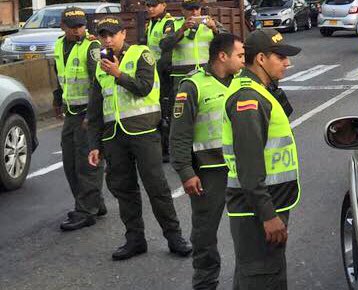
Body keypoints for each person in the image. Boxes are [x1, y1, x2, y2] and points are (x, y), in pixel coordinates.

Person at [86, 18, 192, 260]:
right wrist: (94, 145)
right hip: (114, 136)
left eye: (112, 34)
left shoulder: (141, 54)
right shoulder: (101, 64)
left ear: (124, 33)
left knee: (157, 187)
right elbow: (95, 110)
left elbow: (144, 87)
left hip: (143, 132)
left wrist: (118, 74)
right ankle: (135, 239)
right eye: (103, 36)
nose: (108, 40)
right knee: (124, 190)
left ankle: (174, 236)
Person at [222, 29, 302, 290]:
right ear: (260, 59)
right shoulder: (249, 99)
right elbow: (249, 163)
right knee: (263, 278)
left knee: (253, 275)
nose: (287, 63)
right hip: (256, 211)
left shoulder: (260, 90)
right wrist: (268, 215)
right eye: (280, 57)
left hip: (261, 205)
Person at [171, 32, 246, 290]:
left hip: (242, 170)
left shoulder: (243, 82)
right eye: (240, 56)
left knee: (248, 229)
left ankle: (248, 281)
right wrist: (185, 171)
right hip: (209, 172)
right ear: (222, 56)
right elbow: (179, 134)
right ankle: (205, 283)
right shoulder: (193, 85)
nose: (243, 61)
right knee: (204, 233)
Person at [53, 6, 106, 230]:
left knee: (87, 164)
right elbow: (59, 74)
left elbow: (98, 82)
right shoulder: (58, 44)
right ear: (63, 26)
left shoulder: (92, 46)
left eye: (82, 26)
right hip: (71, 111)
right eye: (73, 27)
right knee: (70, 162)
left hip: (87, 112)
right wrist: (57, 99)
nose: (78, 31)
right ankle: (95, 203)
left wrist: (92, 116)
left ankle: (85, 211)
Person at [144, 0, 182, 160]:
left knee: (166, 111)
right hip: (153, 72)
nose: (150, 8)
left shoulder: (168, 23)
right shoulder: (150, 24)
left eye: (154, 5)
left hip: (164, 72)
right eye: (148, 5)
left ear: (163, 5)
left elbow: (165, 47)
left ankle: (167, 149)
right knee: (157, 108)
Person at [163, 0, 218, 87]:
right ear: (183, 10)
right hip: (182, 74)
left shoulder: (210, 22)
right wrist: (182, 30)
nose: (194, 12)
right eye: (190, 9)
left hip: (206, 72)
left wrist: (214, 29)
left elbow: (227, 42)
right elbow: (164, 45)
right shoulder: (175, 24)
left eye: (197, 9)